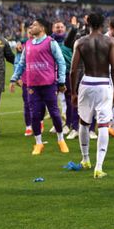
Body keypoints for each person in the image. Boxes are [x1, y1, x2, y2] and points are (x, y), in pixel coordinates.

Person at [70, 13, 114, 179]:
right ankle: (98, 167)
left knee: (84, 122)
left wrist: (73, 92)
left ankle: (85, 159)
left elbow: (73, 70)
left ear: (87, 23)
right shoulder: (111, 41)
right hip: (104, 84)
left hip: (87, 83)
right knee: (104, 124)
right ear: (103, 24)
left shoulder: (80, 42)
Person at [9, 18, 69, 155]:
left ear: (42, 28)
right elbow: (22, 64)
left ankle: (61, 140)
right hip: (32, 86)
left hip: (49, 84)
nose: (31, 26)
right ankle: (38, 143)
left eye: (34, 25)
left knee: (54, 113)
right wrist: (14, 78)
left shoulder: (51, 43)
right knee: (35, 115)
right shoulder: (28, 44)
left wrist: (61, 81)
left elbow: (61, 62)